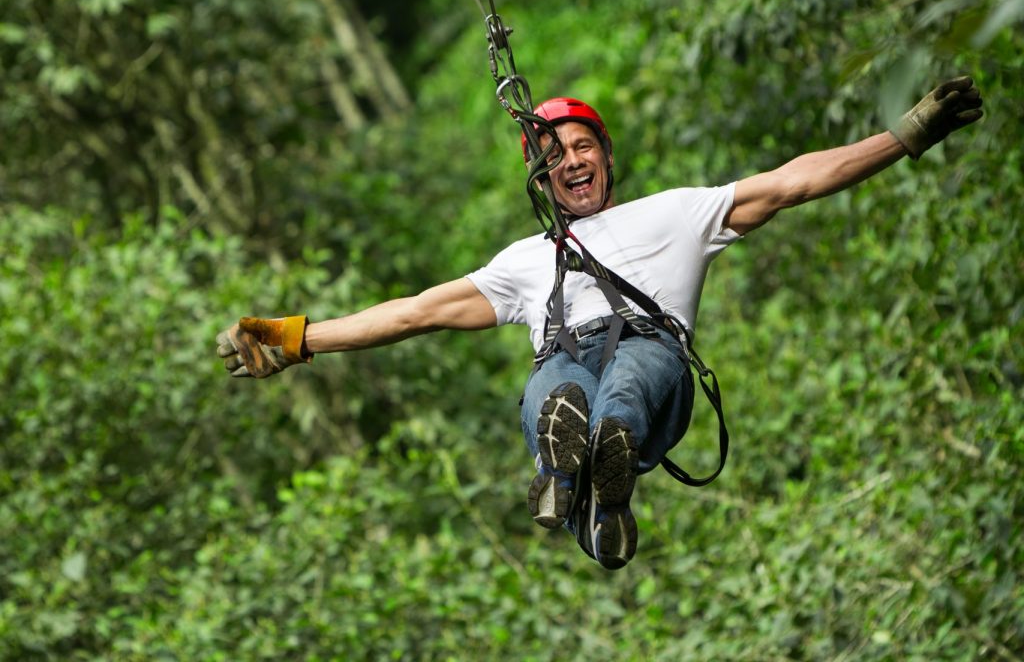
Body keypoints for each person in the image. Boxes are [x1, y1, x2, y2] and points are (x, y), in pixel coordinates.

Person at [217, 77, 983, 569]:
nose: (573, 162)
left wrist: (905, 135)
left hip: (655, 363)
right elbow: (416, 312)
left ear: (606, 157)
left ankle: (594, 463)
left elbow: (794, 183)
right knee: (559, 384)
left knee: (629, 381)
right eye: (556, 158)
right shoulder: (525, 260)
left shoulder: (677, 214)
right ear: (542, 181)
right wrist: (295, 340)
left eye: (584, 148)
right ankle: (575, 468)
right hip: (565, 360)